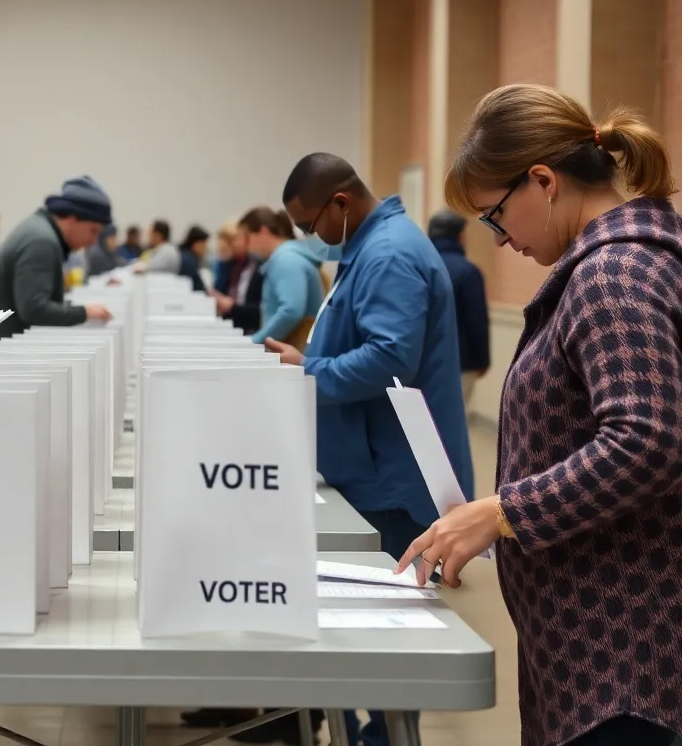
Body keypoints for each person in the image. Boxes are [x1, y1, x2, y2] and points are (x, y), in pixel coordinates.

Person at [397, 85, 682, 746]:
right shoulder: (609, 265)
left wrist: (503, 512)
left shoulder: (615, 274)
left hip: (622, 660)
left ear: (545, 182)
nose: (499, 241)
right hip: (590, 651)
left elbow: (649, 439)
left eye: (496, 217)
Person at [266, 153, 472, 746]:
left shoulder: (387, 255)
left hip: (394, 477)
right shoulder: (371, 249)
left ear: (342, 204)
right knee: (373, 635)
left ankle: (382, 738)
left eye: (311, 225)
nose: (312, 239)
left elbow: (389, 358)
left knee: (389, 639)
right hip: (373, 468)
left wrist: (309, 370)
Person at [0, 176, 114, 350]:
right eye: (93, 231)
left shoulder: (40, 231)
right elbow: (34, 309)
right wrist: (83, 313)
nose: (94, 241)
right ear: (72, 219)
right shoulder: (41, 241)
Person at [427, 210, 490, 407]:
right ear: (461, 236)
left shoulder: (418, 267)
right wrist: (482, 360)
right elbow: (476, 320)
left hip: (423, 362)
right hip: (461, 361)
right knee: (455, 421)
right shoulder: (467, 271)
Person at [239, 206, 326, 349]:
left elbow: (291, 310)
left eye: (248, 238)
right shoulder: (286, 257)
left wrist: (256, 343)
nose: (246, 246)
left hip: (299, 352)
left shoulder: (286, 259)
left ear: (263, 232)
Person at [211, 222, 265, 336]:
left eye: (235, 239)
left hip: (250, 328)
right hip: (231, 324)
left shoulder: (257, 266)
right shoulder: (231, 265)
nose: (232, 244)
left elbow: (260, 309)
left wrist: (233, 306)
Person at [176, 225, 210, 291]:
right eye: (204, 244)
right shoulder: (189, 262)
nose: (205, 248)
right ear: (195, 244)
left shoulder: (183, 255)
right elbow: (198, 287)